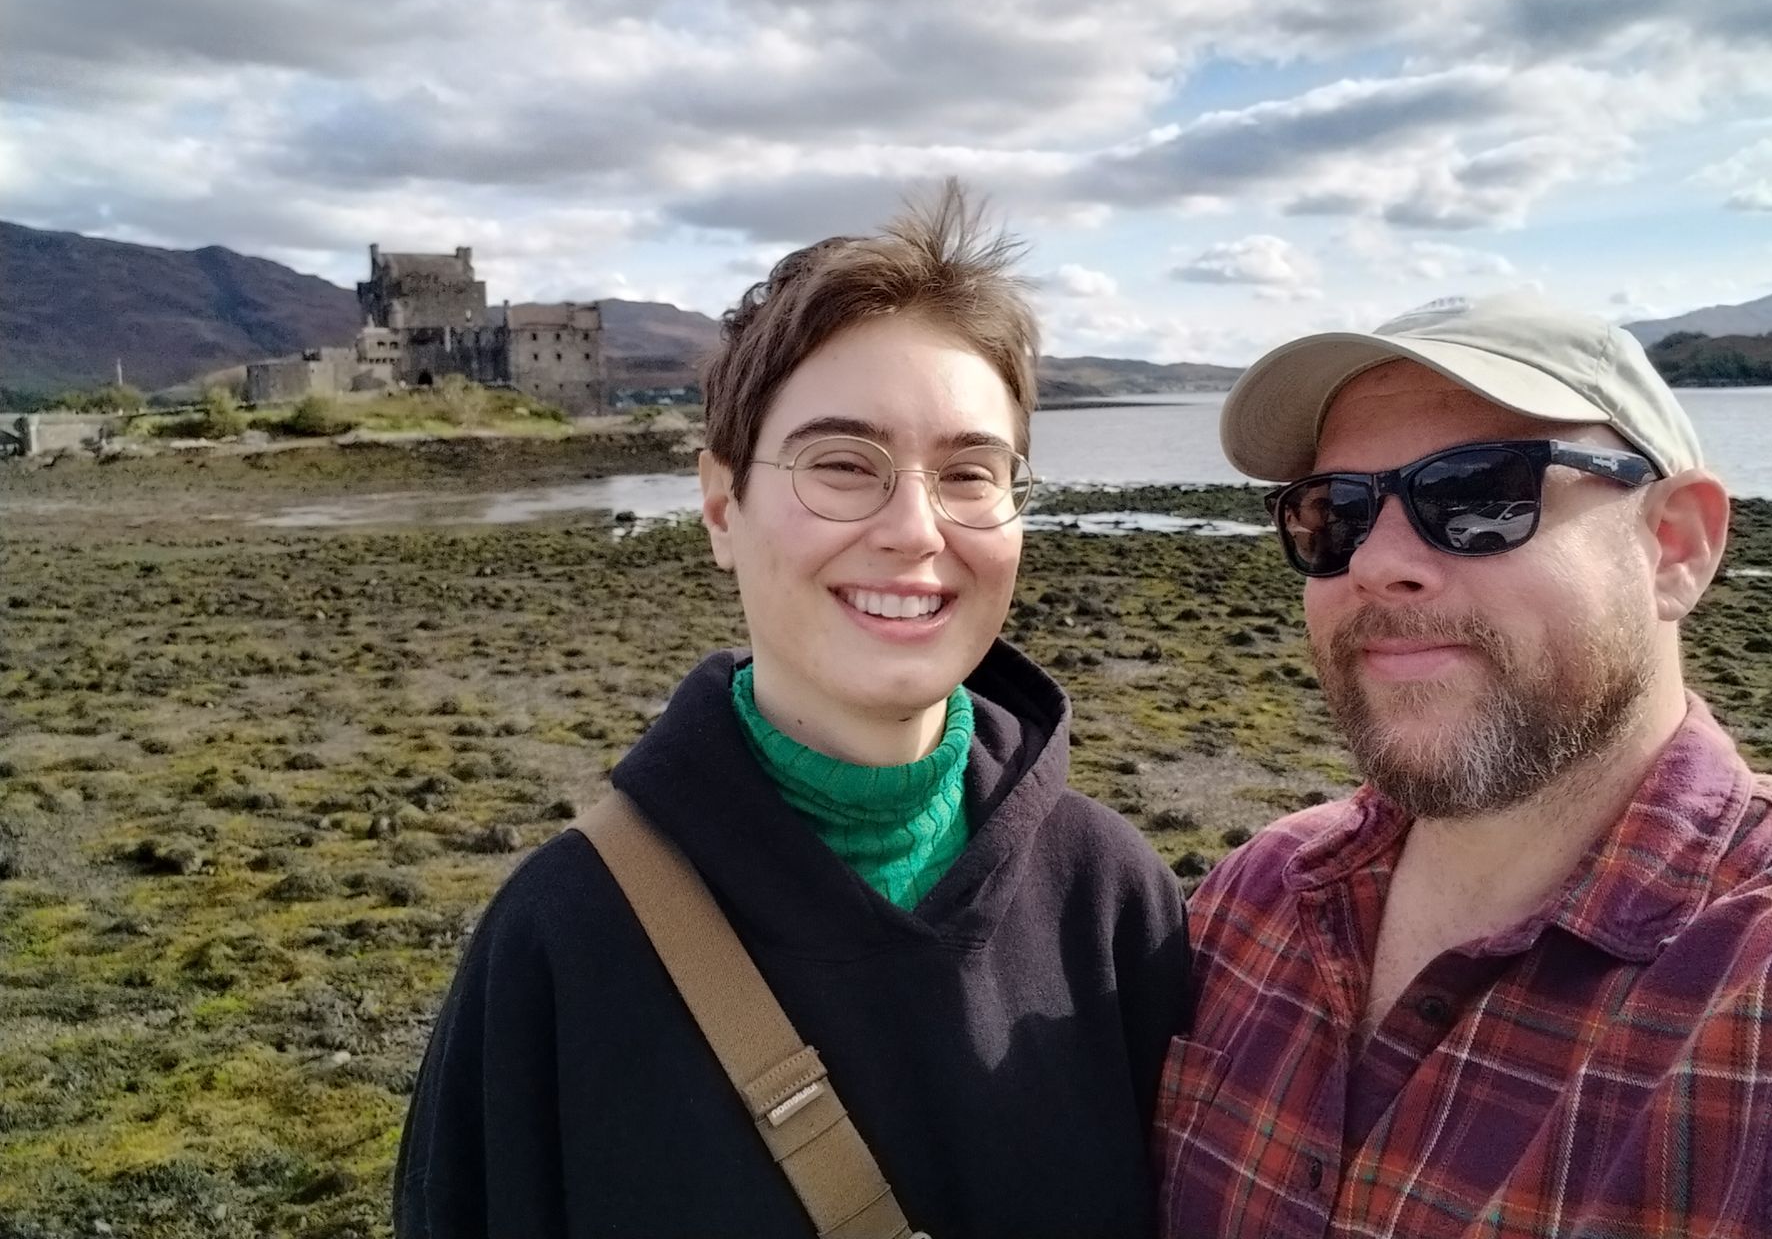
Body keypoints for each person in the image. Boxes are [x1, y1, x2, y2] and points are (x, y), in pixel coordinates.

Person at [394, 182, 1188, 1238]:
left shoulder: (1113, 900)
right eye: (843, 465)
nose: (915, 529)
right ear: (721, 505)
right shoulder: (563, 941)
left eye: (969, 472)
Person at [1155, 295, 1772, 1238]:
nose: (1378, 562)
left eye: (1481, 496)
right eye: (1335, 514)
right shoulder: (1251, 901)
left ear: (1675, 546)